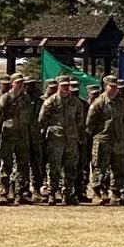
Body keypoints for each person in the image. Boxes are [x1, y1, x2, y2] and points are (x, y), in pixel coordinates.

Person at [38, 76, 84, 205]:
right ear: (58, 85)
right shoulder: (50, 101)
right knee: (54, 167)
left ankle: (68, 194)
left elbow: (80, 120)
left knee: (70, 167)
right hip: (55, 138)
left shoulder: (75, 102)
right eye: (63, 85)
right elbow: (42, 119)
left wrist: (77, 134)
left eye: (67, 85)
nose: (65, 88)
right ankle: (52, 193)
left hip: (71, 138)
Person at [86, 75, 124, 206]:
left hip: (117, 140)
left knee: (118, 168)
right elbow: (90, 123)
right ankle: (97, 194)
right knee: (99, 168)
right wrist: (96, 136)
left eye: (116, 87)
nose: (115, 89)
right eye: (112, 87)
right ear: (105, 86)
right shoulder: (99, 102)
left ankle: (115, 194)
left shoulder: (121, 103)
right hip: (102, 140)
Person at [0, 73, 33, 205]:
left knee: (22, 165)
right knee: (6, 164)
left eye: (22, 83)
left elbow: (30, 118)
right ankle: (3, 193)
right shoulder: (6, 98)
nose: (21, 85)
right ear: (12, 84)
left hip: (22, 136)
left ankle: (19, 194)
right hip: (8, 135)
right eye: (18, 82)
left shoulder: (26, 98)